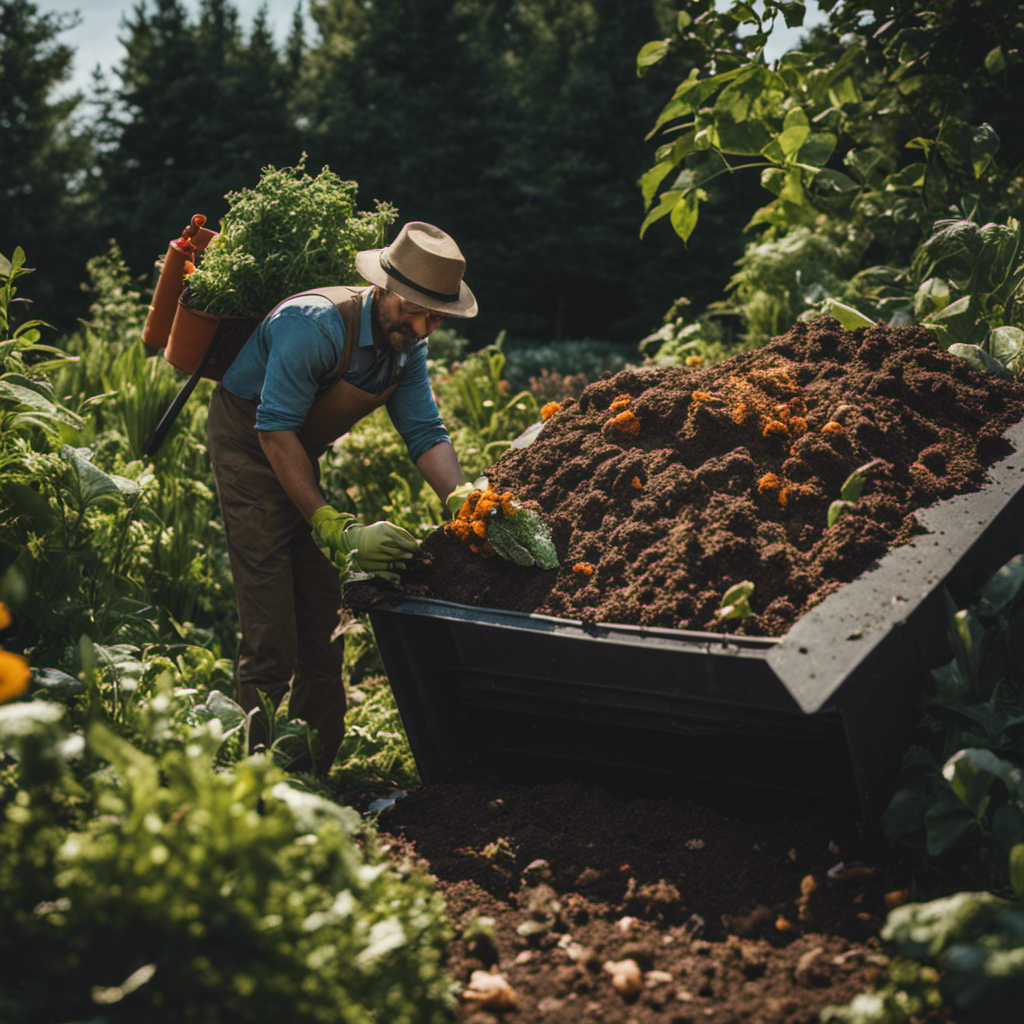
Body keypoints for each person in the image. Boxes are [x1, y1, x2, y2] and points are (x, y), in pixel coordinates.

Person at [206, 221, 481, 774]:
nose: (424, 327)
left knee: (324, 629)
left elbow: (425, 432)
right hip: (250, 447)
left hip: (295, 453)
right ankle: (240, 785)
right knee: (270, 639)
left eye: (435, 316)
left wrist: (466, 501)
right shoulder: (311, 326)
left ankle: (307, 774)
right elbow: (273, 432)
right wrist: (331, 524)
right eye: (415, 309)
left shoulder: (406, 347)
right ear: (383, 288)